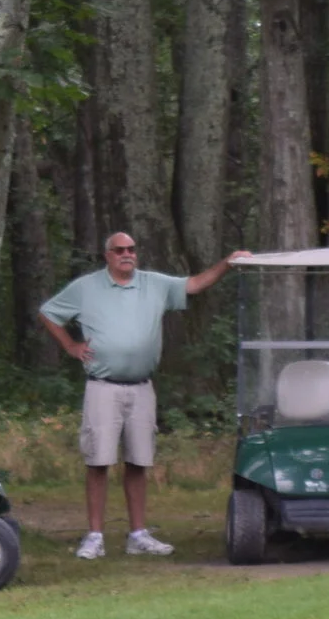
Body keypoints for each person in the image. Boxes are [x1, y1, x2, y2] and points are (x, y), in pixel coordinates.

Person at [40, 233, 253, 559]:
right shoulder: (86, 288)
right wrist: (70, 345)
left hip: (141, 387)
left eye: (132, 249)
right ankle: (95, 536)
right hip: (103, 386)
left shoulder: (154, 284)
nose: (127, 254)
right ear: (107, 255)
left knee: (139, 462)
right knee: (98, 462)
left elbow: (195, 285)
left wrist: (227, 263)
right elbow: (48, 312)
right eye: (120, 250)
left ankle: (138, 535)